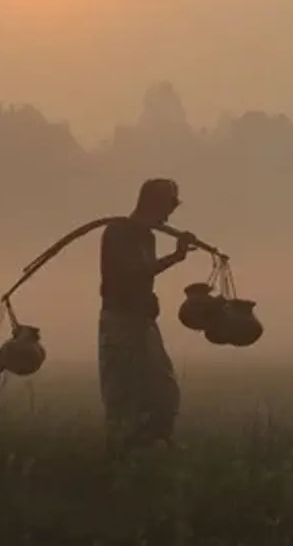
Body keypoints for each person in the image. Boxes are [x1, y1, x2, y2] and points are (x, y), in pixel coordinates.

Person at [98, 178, 198, 457]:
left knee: (163, 390)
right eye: (167, 207)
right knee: (121, 394)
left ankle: (150, 447)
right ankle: (118, 456)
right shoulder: (118, 232)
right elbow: (132, 272)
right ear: (152, 204)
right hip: (120, 322)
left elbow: (144, 275)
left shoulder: (147, 236)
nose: (168, 216)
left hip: (142, 323)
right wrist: (175, 257)